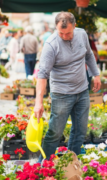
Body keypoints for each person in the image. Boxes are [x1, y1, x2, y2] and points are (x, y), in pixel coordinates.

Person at [34, 12, 101, 161]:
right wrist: (38, 102)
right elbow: (42, 75)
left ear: (75, 26)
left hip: (82, 91)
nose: (64, 36)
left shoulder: (82, 34)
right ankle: (42, 167)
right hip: (61, 95)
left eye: (68, 33)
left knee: (80, 132)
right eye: (61, 33)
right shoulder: (51, 44)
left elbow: (89, 54)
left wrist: (95, 74)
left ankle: (71, 165)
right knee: (55, 134)